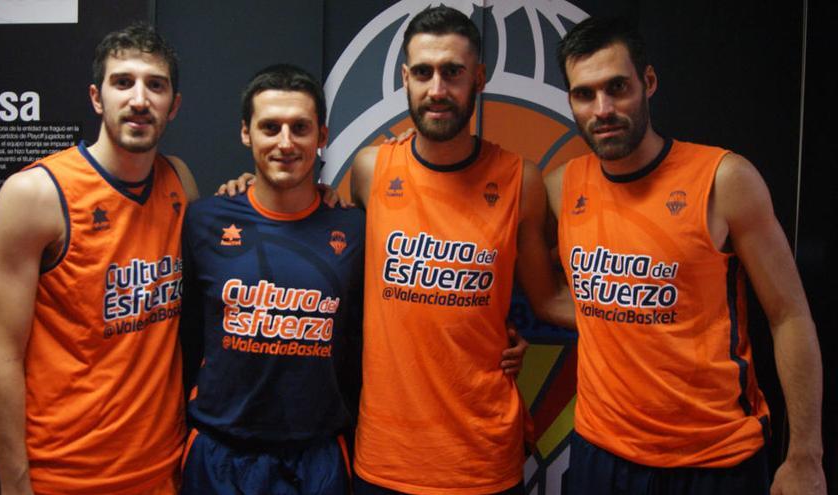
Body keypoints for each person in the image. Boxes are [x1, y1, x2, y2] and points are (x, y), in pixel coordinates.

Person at [546, 16, 826, 494]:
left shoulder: (723, 180)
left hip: (713, 460)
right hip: (600, 455)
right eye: (584, 94)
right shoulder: (559, 187)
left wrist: (805, 455)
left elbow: (789, 316)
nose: (604, 108)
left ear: (648, 82)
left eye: (618, 87)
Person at [348, 6, 570, 495]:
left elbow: (548, 301)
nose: (437, 90)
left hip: (481, 459)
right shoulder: (369, 171)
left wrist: (645, 309)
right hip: (387, 458)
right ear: (405, 78)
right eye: (423, 73)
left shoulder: (520, 180)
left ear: (480, 78)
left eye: (453, 72)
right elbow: (316, 236)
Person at [0, 23, 196, 495]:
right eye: (123, 82)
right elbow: (0, 359)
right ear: (97, 98)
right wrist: (14, 485)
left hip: (162, 467)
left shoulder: (179, 181)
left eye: (155, 85)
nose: (139, 99)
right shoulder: (35, 194)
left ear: (173, 105)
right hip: (67, 474)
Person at [179, 64, 364, 495]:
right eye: (270, 127)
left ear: (322, 136)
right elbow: (180, 335)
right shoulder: (203, 220)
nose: (285, 143)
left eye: (300, 128)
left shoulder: (355, 228)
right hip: (219, 453)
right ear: (246, 133)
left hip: (317, 457)